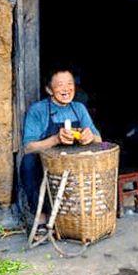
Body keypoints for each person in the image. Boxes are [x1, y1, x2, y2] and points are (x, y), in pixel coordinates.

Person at [20, 67, 101, 239]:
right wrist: (56, 139)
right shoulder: (38, 110)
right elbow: (28, 147)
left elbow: (99, 139)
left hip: (74, 164)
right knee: (28, 163)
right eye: (60, 85)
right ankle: (41, 218)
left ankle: (77, 218)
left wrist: (89, 137)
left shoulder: (78, 108)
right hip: (47, 165)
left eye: (70, 84)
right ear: (49, 89)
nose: (66, 89)